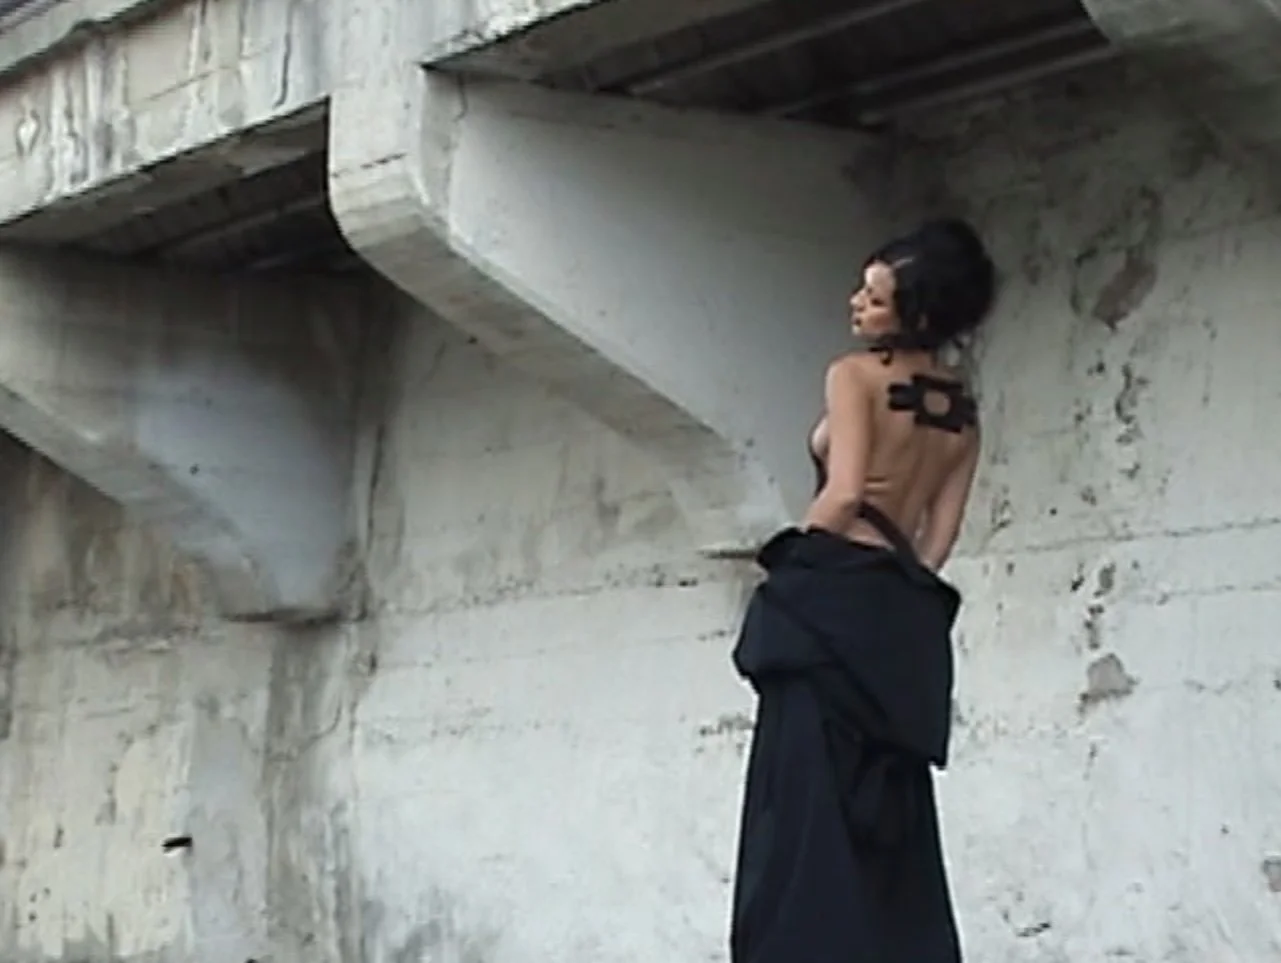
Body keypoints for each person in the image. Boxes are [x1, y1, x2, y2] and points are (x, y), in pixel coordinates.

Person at [728, 219, 996, 963]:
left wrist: (796, 571)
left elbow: (844, 493)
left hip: (832, 600)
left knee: (800, 816)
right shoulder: (961, 412)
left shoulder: (853, 377)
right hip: (898, 619)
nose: (855, 303)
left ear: (917, 313)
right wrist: (892, 592)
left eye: (874, 298)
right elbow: (939, 538)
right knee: (887, 820)